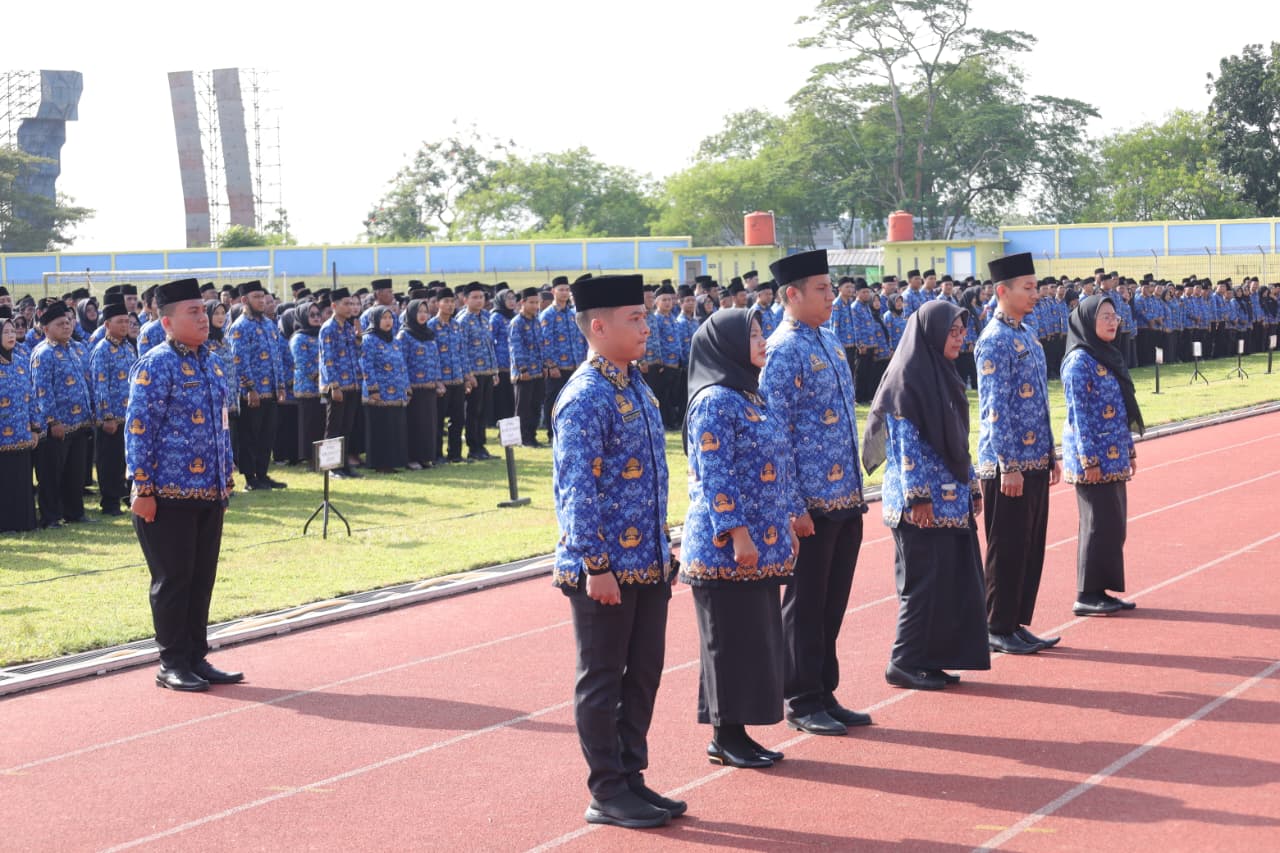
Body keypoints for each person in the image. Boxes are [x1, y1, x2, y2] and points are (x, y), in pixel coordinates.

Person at [552, 273, 683, 830]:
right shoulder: (586, 396)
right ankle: (606, 790)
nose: (647, 326)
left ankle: (632, 777)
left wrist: (664, 545)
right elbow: (576, 489)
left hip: (648, 561)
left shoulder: (636, 386)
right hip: (604, 568)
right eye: (635, 318)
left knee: (644, 674)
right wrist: (596, 565)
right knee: (603, 678)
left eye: (646, 316)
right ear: (598, 326)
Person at [681, 308, 801, 769]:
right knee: (726, 641)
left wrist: (785, 523)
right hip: (725, 548)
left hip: (761, 540)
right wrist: (738, 535)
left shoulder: (751, 396)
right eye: (753, 334)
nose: (763, 341)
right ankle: (724, 735)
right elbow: (716, 476)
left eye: (762, 332)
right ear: (727, 345)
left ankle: (740, 733)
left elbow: (777, 464)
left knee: (753, 640)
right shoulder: (714, 401)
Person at [759, 249, 871, 737]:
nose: (831, 297)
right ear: (792, 295)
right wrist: (791, 506)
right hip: (810, 503)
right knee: (804, 603)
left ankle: (824, 689)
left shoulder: (828, 338)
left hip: (845, 494)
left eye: (831, 289)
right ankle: (801, 697)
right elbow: (775, 432)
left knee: (832, 600)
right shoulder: (782, 350)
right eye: (822, 290)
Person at [862, 301, 990, 690]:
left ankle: (930, 659)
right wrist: (918, 497)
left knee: (947, 583)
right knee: (922, 584)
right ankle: (903, 660)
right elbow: (905, 446)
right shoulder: (909, 378)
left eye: (962, 330)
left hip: (949, 501)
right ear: (932, 332)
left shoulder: (943, 374)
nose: (960, 338)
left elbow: (958, 443)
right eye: (952, 331)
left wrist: (971, 486)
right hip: (921, 506)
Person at [126, 278, 241, 692]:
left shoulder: (210, 360)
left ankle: (196, 656)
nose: (203, 318)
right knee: (174, 579)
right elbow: (139, 430)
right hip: (167, 495)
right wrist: (142, 488)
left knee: (201, 578)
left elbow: (221, 427)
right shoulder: (155, 364)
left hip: (209, 491)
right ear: (167, 321)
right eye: (192, 312)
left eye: (204, 310)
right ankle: (171, 661)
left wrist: (224, 480)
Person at [976, 252, 1062, 655]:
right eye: (1027, 288)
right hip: (1007, 465)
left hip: (1033, 460)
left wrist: (1049, 452)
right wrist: (1009, 464)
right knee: (1007, 547)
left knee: (1029, 545)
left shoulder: (1025, 332)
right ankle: (997, 624)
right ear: (1001, 291)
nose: (1035, 294)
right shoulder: (993, 339)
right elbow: (995, 409)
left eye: (1035, 286)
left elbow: (1039, 401)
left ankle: (1016, 622)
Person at [1061, 295, 1144, 617]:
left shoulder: (1107, 355)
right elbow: (1078, 415)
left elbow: (1121, 410)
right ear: (1087, 321)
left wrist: (1128, 450)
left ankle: (1102, 590)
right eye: (1105, 316)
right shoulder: (1080, 361)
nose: (1113, 322)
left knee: (1112, 525)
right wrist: (1090, 460)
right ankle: (1086, 594)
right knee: (1097, 524)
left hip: (1114, 455)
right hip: (1093, 458)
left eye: (1115, 316)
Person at [30, 301, 94, 527]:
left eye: (68, 322)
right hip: (56, 425)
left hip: (79, 422)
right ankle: (50, 516)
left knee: (74, 473)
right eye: (60, 324)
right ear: (46, 329)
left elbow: (87, 382)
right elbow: (42, 390)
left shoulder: (77, 348)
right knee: (51, 473)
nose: (66, 327)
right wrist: (53, 421)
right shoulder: (43, 353)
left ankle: (75, 512)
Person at [227, 281, 287, 491]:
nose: (261, 301)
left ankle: (262, 474)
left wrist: (280, 385)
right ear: (244, 300)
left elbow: (276, 358)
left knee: (267, 435)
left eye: (263, 297)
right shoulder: (240, 327)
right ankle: (250, 478)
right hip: (251, 393)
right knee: (249, 437)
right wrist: (250, 389)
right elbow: (238, 361)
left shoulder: (270, 325)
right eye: (256, 297)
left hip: (270, 390)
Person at [89, 300, 136, 516]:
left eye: (127, 321)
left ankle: (128, 496)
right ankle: (110, 502)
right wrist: (106, 416)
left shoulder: (128, 347)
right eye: (120, 322)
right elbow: (100, 385)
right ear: (107, 324)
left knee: (128, 460)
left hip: (129, 416)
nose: (125, 325)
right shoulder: (102, 350)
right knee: (110, 461)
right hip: (111, 418)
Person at [359, 305, 410, 473]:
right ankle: (380, 463)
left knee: (394, 427)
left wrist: (406, 387)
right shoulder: (369, 339)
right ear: (375, 320)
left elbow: (402, 365)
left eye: (390, 318)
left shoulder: (394, 340)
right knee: (381, 428)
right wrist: (373, 390)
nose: (388, 321)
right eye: (384, 318)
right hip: (379, 393)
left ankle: (394, 461)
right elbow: (367, 366)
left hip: (396, 392)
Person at [0, 313, 39, 532]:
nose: (11, 335)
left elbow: (31, 396)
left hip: (22, 434)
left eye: (12, 331)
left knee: (21, 480)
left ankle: (24, 522)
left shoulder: (22, 362)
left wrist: (35, 428)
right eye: (5, 332)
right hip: (1, 438)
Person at [319, 287, 363, 478]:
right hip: (337, 386)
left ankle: (344, 465)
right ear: (334, 305)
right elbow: (328, 359)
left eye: (352, 303)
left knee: (347, 428)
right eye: (346, 303)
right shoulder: (328, 328)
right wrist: (334, 386)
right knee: (334, 428)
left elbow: (356, 354)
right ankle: (330, 468)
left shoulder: (347, 327)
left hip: (352, 384)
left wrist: (359, 338)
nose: (350, 307)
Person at [397, 298, 441, 470]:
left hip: (429, 385)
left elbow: (436, 358)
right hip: (413, 387)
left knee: (428, 423)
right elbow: (401, 363)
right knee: (413, 423)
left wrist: (438, 381)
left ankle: (425, 457)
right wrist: (406, 386)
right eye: (419, 312)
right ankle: (411, 458)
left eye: (425, 311)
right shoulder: (404, 335)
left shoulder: (429, 333)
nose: (422, 315)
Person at [458, 282, 499, 461]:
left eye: (481, 297)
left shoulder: (486, 317)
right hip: (474, 372)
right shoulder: (463, 321)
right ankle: (473, 447)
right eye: (475, 297)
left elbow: (490, 346)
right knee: (473, 411)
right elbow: (462, 349)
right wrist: (468, 374)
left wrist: (495, 370)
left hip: (487, 371)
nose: (479, 300)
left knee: (484, 410)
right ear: (465, 300)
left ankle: (482, 446)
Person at [429, 287, 468, 464]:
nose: (450, 305)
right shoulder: (431, 326)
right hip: (441, 381)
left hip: (458, 379)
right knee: (438, 421)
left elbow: (462, 353)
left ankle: (455, 454)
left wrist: (467, 375)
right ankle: (437, 454)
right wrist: (437, 381)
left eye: (452, 301)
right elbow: (431, 355)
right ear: (438, 304)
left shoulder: (456, 325)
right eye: (446, 302)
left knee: (458, 419)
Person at [540, 275, 580, 443]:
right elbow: (545, 341)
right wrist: (551, 364)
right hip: (557, 367)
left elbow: (579, 339)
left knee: (573, 401)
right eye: (561, 290)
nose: (564, 293)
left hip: (574, 365)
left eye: (567, 290)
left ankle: (570, 431)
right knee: (554, 400)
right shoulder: (547, 315)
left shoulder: (572, 314)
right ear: (553, 292)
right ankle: (552, 433)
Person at [509, 286, 547, 447]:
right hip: (523, 373)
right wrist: (522, 368)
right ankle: (522, 438)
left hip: (537, 370)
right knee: (523, 407)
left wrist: (544, 365)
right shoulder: (516, 323)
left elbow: (541, 345)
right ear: (523, 303)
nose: (535, 306)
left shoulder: (536, 321)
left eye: (537, 302)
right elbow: (515, 348)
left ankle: (532, 436)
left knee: (535, 406)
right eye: (531, 302)